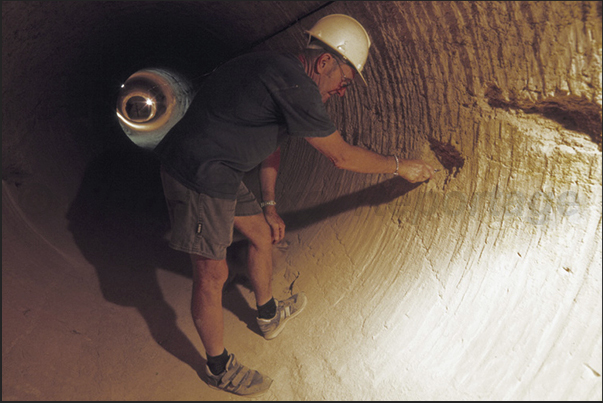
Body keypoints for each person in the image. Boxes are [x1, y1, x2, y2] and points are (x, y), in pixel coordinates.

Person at [154, 14, 434, 396]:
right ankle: (219, 368)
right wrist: (401, 167)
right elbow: (341, 157)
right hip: (195, 172)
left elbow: (270, 144)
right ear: (324, 63)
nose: (342, 92)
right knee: (212, 274)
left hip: (222, 168)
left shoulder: (277, 71)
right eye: (344, 81)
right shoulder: (295, 85)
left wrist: (269, 204)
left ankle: (268, 314)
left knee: (262, 235)